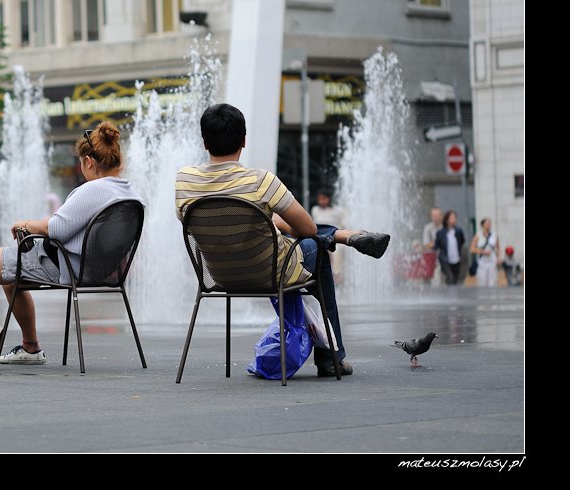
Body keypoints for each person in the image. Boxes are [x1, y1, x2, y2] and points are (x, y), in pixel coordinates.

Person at [174, 104, 391, 377]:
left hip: (218, 278)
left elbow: (216, 222)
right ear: (244, 139)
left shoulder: (184, 182)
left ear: (204, 141)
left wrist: (270, 223)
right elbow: (308, 229)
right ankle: (331, 356)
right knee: (318, 247)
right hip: (270, 272)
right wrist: (279, 222)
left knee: (301, 236)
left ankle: (342, 235)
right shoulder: (260, 181)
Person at [0, 122, 143, 370]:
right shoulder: (131, 194)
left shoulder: (91, 190)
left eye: (81, 164)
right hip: (102, 272)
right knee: (9, 275)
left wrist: (26, 224)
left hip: (67, 268)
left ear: (89, 161)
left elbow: (56, 228)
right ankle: (30, 347)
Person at [311, 186, 345, 284]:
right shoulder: (315, 210)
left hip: (336, 238)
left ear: (329, 199)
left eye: (324, 198)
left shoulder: (338, 211)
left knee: (338, 250)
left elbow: (344, 226)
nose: (321, 201)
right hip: (321, 238)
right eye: (320, 199)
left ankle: (337, 275)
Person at [433, 210, 465, 285]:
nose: (454, 219)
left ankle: (455, 294)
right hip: (445, 259)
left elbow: (462, 241)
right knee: (449, 277)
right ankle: (450, 295)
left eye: (455, 217)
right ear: (447, 219)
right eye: (452, 217)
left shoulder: (458, 231)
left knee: (455, 278)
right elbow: (436, 246)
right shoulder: (441, 233)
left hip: (456, 258)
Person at [471, 217, 500, 287]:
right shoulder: (478, 235)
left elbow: (498, 248)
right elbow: (472, 249)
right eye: (487, 223)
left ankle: (493, 297)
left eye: (489, 223)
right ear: (482, 225)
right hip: (482, 262)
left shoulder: (494, 235)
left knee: (492, 282)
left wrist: (499, 258)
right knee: (482, 281)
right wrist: (483, 252)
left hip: (492, 261)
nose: (488, 225)